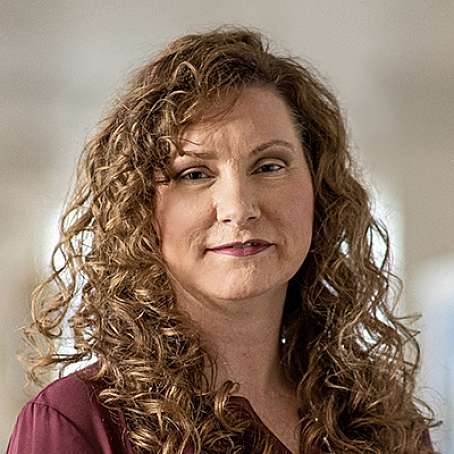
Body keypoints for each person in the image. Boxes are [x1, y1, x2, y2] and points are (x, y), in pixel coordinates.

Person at [7, 26, 439, 454]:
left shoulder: (384, 422)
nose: (239, 207)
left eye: (269, 166)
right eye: (194, 174)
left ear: (319, 189)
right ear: (140, 209)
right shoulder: (80, 421)